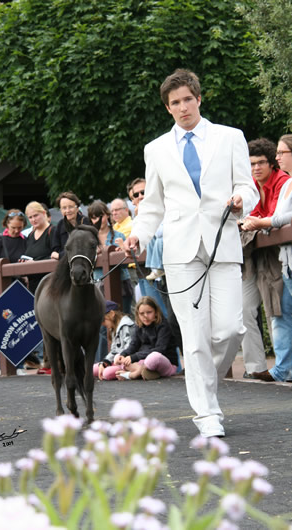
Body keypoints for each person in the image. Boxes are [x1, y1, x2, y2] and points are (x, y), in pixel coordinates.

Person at [124, 68, 259, 438]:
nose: (182, 108)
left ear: (198, 99)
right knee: (195, 337)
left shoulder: (230, 138)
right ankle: (207, 413)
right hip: (181, 251)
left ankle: (205, 387)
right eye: (174, 103)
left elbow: (250, 188)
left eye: (187, 99)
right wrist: (138, 234)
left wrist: (240, 200)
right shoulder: (156, 149)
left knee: (231, 330)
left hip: (223, 242)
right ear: (167, 108)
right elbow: (152, 205)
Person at [240, 139, 290, 378]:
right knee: (244, 309)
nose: (256, 168)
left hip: (276, 256)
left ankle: (282, 368)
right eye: (251, 164)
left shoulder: (283, 182)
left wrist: (256, 221)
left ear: (271, 164)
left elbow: (274, 217)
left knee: (276, 309)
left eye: (261, 163)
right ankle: (255, 367)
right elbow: (246, 215)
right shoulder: (248, 186)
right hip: (251, 256)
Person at [0, 209, 31, 375]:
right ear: (6, 225)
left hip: (18, 287)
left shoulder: (25, 240)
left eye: (19, 227)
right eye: (13, 228)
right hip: (0, 288)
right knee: (2, 326)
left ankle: (18, 364)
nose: (16, 231)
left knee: (19, 326)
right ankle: (1, 364)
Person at [112, 296, 178, 381]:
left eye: (149, 312)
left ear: (156, 312)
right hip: (143, 361)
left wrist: (134, 357)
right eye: (142, 313)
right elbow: (133, 345)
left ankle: (133, 374)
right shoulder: (138, 325)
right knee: (117, 358)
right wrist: (123, 355)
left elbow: (160, 349)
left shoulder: (163, 325)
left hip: (164, 363)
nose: (145, 316)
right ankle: (145, 372)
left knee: (154, 357)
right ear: (137, 314)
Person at [88, 200, 133, 315]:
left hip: (121, 281)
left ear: (107, 215)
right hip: (99, 283)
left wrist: (121, 251)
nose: (98, 220)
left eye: (100, 216)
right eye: (94, 218)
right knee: (103, 323)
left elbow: (126, 264)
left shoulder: (119, 235)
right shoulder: (89, 239)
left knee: (124, 315)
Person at [93, 300, 135, 380]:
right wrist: (104, 363)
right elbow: (114, 350)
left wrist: (118, 358)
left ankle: (125, 373)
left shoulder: (126, 326)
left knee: (106, 373)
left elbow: (130, 348)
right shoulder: (113, 328)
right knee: (94, 369)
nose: (102, 324)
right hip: (117, 361)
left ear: (112, 314)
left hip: (127, 362)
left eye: (103, 320)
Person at [24, 201, 60, 295]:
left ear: (44, 213)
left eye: (36, 215)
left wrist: (35, 263)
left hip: (50, 285)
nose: (33, 219)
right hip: (33, 285)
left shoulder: (53, 231)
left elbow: (56, 256)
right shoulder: (30, 235)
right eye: (30, 217)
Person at [54, 191, 91, 259]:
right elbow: (55, 249)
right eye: (64, 208)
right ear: (61, 210)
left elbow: (83, 247)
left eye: (70, 207)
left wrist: (60, 255)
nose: (67, 211)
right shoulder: (60, 225)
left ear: (77, 208)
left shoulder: (86, 222)